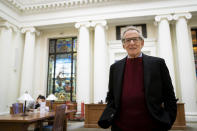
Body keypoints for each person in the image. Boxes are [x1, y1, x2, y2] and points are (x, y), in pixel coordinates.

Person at [98, 26, 177, 131]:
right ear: (123, 45)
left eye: (135, 39)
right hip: (121, 126)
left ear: (142, 43)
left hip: (152, 125)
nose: (131, 43)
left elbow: (169, 95)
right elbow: (112, 96)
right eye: (127, 40)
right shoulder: (115, 68)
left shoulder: (158, 64)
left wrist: (168, 119)